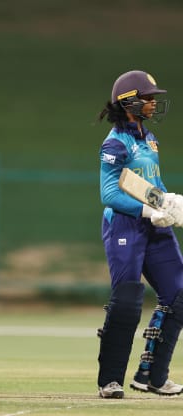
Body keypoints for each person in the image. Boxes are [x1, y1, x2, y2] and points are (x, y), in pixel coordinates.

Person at [97, 69, 183, 399]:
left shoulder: (148, 139)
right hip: (124, 225)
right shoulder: (115, 142)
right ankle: (110, 380)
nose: (152, 103)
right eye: (147, 98)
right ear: (129, 102)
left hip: (154, 226)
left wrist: (168, 202)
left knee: (178, 294)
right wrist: (149, 210)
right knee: (128, 299)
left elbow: (151, 185)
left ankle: (151, 375)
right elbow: (110, 194)